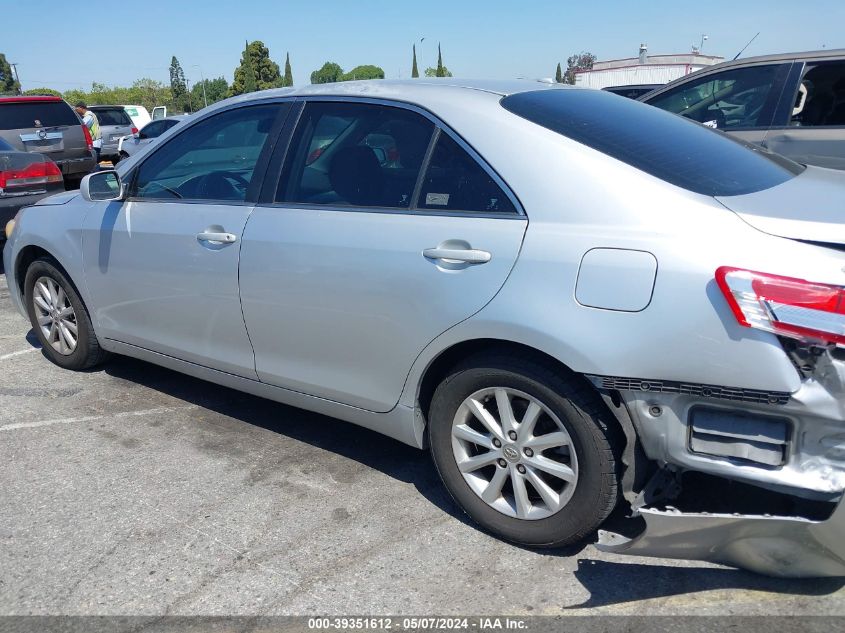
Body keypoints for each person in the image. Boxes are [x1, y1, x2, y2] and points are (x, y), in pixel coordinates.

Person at [74, 102, 102, 169]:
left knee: (93, 165)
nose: (76, 111)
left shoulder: (89, 116)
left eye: (77, 109)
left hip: (94, 143)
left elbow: (82, 127)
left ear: (81, 108)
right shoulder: (90, 115)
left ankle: (95, 177)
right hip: (95, 143)